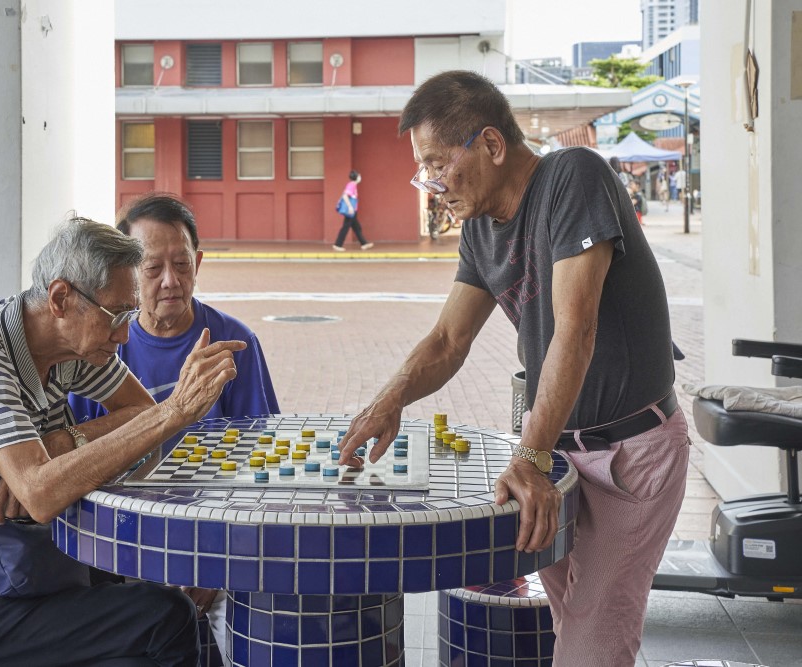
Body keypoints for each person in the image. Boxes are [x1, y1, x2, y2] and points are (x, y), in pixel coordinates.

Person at [337, 71, 688, 667]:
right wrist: (387, 401)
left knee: (591, 644)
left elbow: (576, 330)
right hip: (559, 456)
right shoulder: (478, 229)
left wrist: (527, 455)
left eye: (438, 163)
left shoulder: (573, 176)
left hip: (629, 453)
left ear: (493, 145)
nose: (432, 184)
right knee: (568, 621)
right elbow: (449, 340)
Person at [0, 217, 247, 667]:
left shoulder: (69, 349)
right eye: (118, 315)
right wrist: (174, 411)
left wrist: (63, 442)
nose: (125, 334)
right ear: (61, 298)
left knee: (161, 608)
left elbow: (137, 412)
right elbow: (42, 493)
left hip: (12, 563)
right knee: (167, 617)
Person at [69, 194, 280, 664]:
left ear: (198, 262)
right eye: (152, 268)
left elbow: (262, 469)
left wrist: (217, 568)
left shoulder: (235, 343)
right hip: (126, 555)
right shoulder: (100, 350)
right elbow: (75, 463)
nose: (171, 281)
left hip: (222, 554)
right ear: (123, 273)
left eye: (182, 264)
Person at [332, 170, 374, 251]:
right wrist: (350, 207)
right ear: (357, 177)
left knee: (357, 227)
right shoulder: (351, 185)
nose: (360, 178)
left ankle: (364, 244)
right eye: (360, 176)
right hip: (351, 211)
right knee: (346, 227)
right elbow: (345, 196)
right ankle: (337, 245)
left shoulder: (353, 185)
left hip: (353, 211)